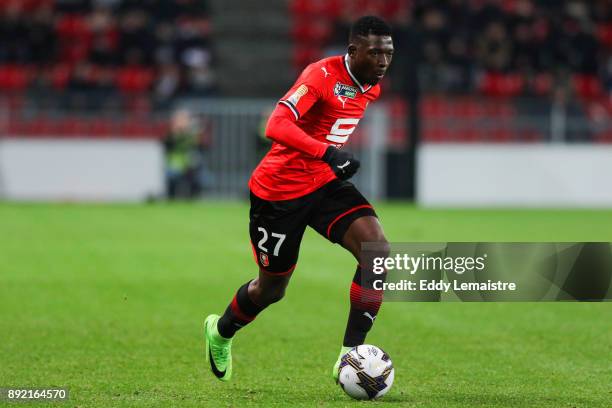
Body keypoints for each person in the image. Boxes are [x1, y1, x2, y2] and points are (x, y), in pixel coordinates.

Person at [204, 16, 393, 382]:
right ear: (353, 51)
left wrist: (326, 160)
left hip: (324, 184)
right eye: (375, 53)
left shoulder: (371, 86)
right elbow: (274, 125)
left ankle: (350, 355)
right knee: (272, 289)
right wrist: (328, 153)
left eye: (388, 53)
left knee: (377, 251)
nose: (383, 61)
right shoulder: (320, 75)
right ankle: (220, 331)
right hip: (278, 193)